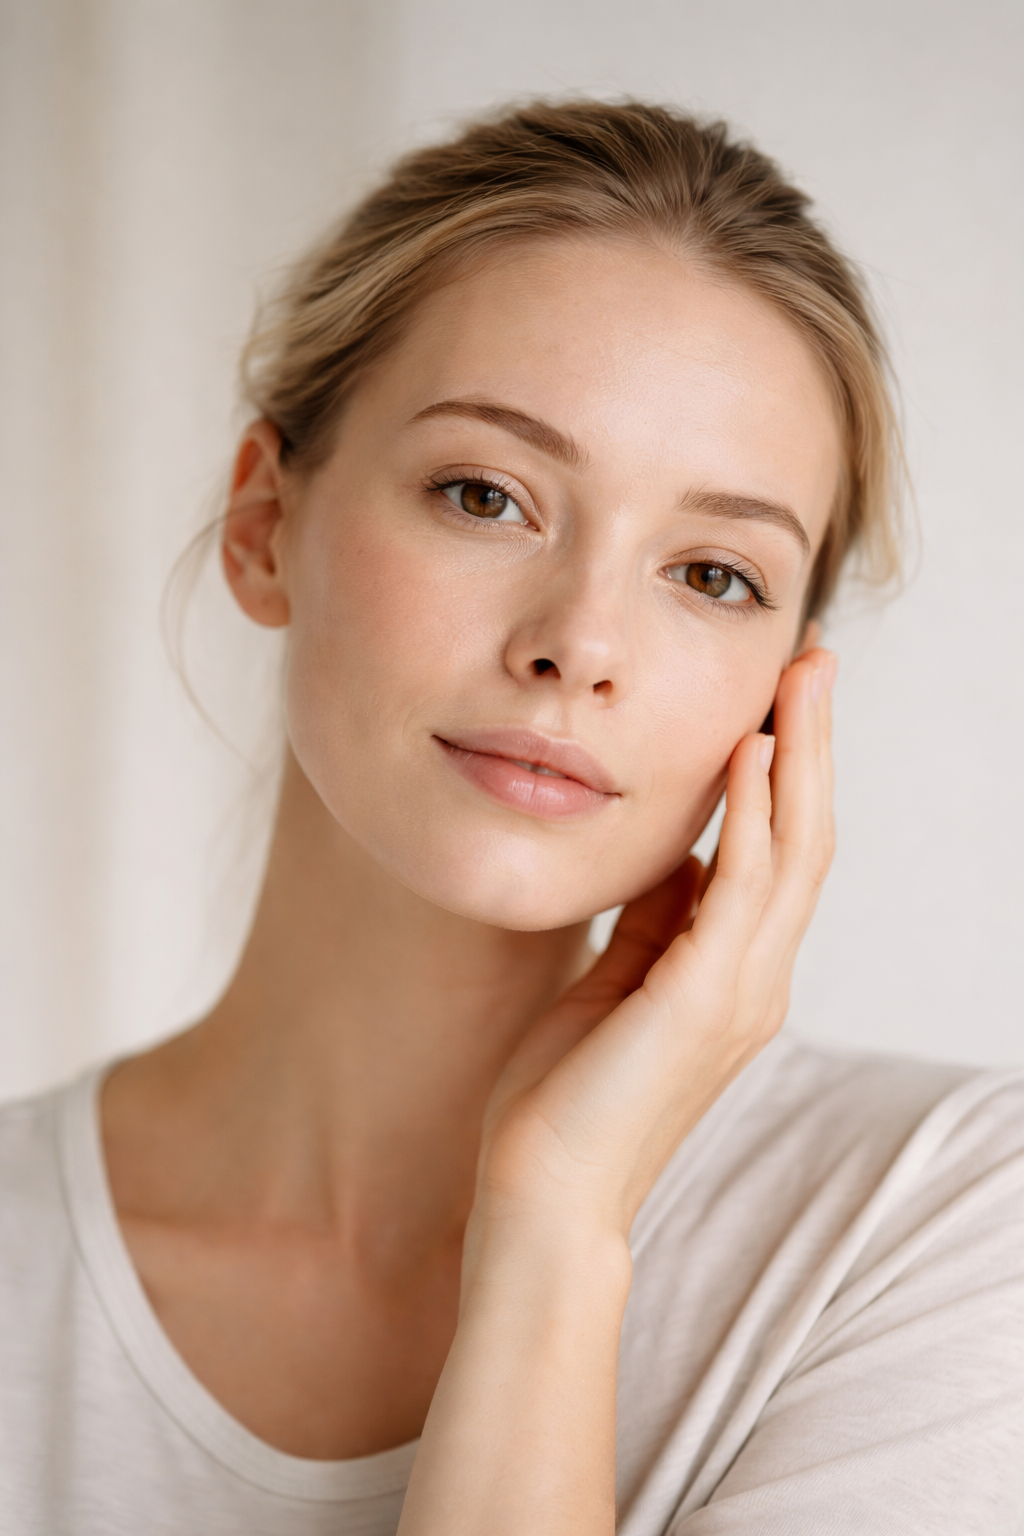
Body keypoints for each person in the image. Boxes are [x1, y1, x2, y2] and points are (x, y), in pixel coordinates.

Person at [1, 100, 1021, 1536]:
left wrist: (558, 1226)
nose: (580, 642)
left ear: (786, 691)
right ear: (262, 525)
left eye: (713, 574)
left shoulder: (935, 1228)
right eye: (487, 494)